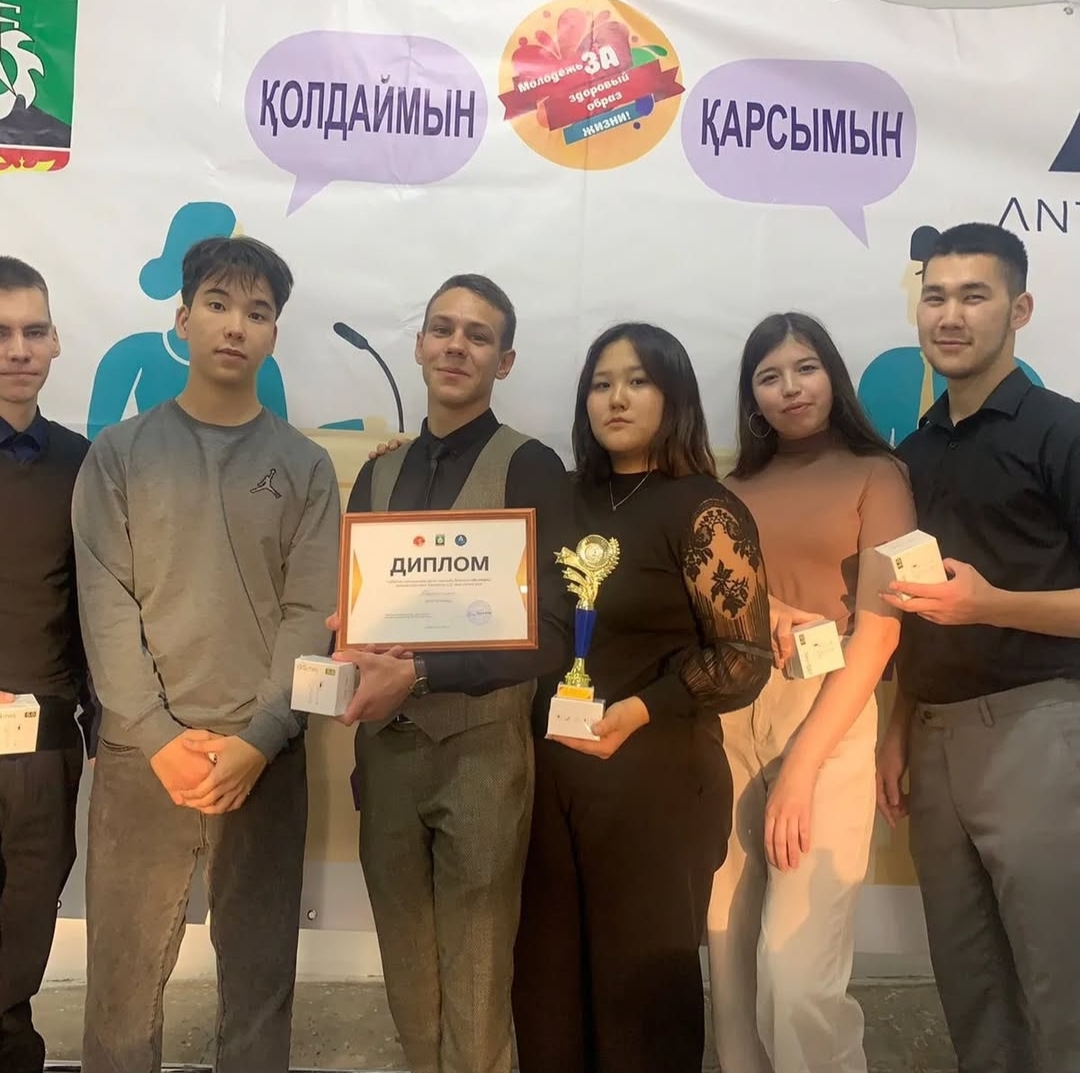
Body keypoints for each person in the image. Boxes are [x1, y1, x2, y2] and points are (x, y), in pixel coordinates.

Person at [72, 235, 341, 1073]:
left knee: (259, 994)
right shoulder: (119, 454)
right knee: (120, 1000)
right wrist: (155, 735)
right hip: (140, 755)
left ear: (273, 334)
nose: (235, 326)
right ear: (183, 318)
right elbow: (106, 602)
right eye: (218, 305)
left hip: (263, 756)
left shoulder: (305, 466)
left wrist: (260, 737)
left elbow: (311, 612)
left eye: (257, 313)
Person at [510, 322, 773, 1073]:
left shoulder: (705, 507)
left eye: (637, 381)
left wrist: (643, 707)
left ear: (675, 396)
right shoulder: (561, 498)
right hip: (548, 783)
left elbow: (744, 659)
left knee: (641, 1012)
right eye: (601, 383)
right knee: (546, 1004)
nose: (616, 398)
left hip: (655, 782)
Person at [332, 274, 575, 1073]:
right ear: (418, 345)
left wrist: (424, 673)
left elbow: (551, 636)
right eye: (442, 329)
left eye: (478, 335)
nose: (456, 346)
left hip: (483, 752)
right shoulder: (379, 473)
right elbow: (360, 615)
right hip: (387, 754)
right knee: (407, 976)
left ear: (505, 361)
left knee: (476, 980)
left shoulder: (532, 466)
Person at [877, 222, 1080, 1073]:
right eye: (935, 296)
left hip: (1039, 728)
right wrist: (898, 724)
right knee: (971, 988)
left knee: (1060, 982)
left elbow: (974, 602)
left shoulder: (1061, 431)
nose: (950, 315)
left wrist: (991, 603)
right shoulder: (915, 449)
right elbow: (916, 605)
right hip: (933, 739)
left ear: (1019, 309)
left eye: (974, 295)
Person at [707, 312, 916, 1073]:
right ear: (751, 396)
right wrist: (761, 608)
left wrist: (800, 769)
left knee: (797, 979)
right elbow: (706, 601)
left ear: (833, 375)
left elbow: (881, 632)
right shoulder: (728, 489)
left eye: (805, 368)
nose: (790, 388)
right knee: (728, 966)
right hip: (727, 714)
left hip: (828, 714)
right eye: (769, 376)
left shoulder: (878, 474)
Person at [0, 256, 98, 1073]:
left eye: (34, 331)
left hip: (44, 739)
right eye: (1, 333)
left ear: (57, 341)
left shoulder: (83, 461)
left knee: (26, 919)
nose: (18, 349)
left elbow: (101, 602)